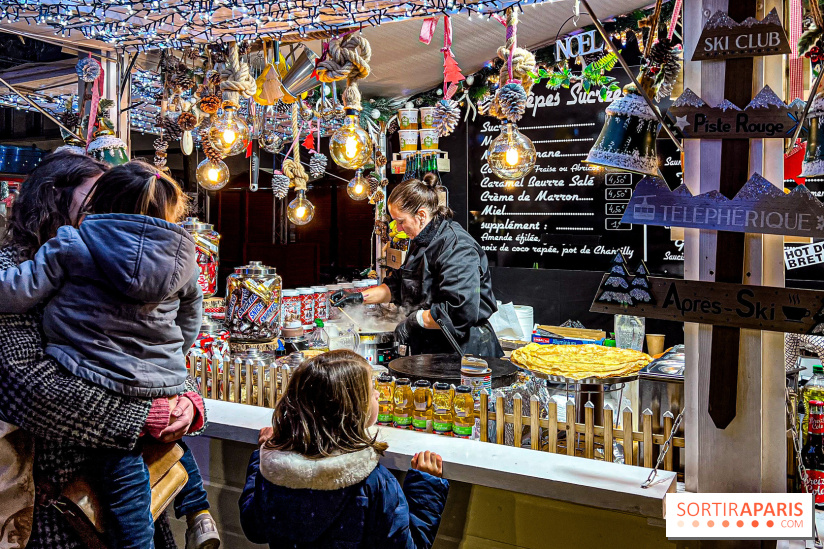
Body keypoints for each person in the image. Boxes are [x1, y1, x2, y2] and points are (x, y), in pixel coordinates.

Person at [0, 159, 219, 549]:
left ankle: (195, 513)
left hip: (142, 486)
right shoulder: (19, 264)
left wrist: (186, 399)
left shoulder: (132, 254)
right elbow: (28, 389)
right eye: (97, 201)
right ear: (54, 198)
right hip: (56, 506)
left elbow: (161, 337)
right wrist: (146, 413)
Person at [239, 350, 449, 548]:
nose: (377, 394)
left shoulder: (277, 475)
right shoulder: (374, 482)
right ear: (352, 410)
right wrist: (425, 488)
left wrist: (262, 458)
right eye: (370, 389)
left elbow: (253, 528)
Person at [331, 174, 503, 357]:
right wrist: (359, 297)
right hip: (432, 349)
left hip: (465, 353)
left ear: (421, 215)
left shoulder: (457, 248)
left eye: (401, 221)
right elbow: (398, 285)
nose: (396, 228)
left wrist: (415, 319)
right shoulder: (421, 242)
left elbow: (458, 313)